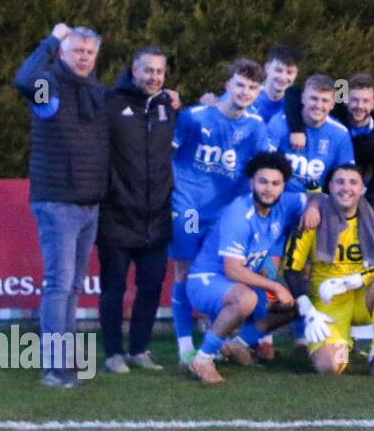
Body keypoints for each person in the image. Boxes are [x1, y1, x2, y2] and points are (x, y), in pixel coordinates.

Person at [14, 23, 109, 388]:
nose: (83, 57)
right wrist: (50, 40)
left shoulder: (94, 90)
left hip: (88, 203)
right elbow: (24, 79)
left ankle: (66, 359)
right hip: (57, 202)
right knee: (59, 283)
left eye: (89, 52)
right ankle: (54, 367)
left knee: (72, 286)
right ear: (64, 53)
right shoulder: (49, 88)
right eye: (76, 50)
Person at [169, 59, 275, 366]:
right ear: (227, 85)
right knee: (184, 274)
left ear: (258, 92)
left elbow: (264, 167)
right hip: (187, 208)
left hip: (225, 215)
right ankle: (185, 346)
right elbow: (167, 155)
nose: (245, 92)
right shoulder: (194, 116)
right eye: (240, 85)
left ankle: (215, 343)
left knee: (219, 276)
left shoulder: (256, 126)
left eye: (253, 88)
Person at [184, 153, 308, 384]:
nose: (268, 189)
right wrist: (274, 285)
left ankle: (236, 345)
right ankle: (202, 358)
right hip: (208, 279)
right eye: (262, 182)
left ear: (283, 186)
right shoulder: (239, 214)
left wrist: (313, 209)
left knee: (294, 304)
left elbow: (317, 198)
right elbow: (232, 270)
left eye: (275, 183)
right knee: (246, 299)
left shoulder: (286, 203)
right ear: (252, 182)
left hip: (240, 282)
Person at [97, 46, 178, 373]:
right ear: (133, 70)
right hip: (116, 217)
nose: (154, 77)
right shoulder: (110, 103)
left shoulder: (168, 107)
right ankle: (113, 353)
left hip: (156, 218)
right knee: (113, 289)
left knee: (151, 288)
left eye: (159, 71)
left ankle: (140, 350)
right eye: (148, 70)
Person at [283, 164, 374, 376]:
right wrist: (307, 310)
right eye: (340, 182)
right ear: (329, 186)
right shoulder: (313, 218)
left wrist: (355, 280)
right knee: (330, 367)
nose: (345, 188)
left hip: (361, 297)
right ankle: (342, 341)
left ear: (362, 189)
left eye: (353, 182)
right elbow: (291, 268)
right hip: (328, 302)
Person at [283, 72, 374, 202]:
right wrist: (297, 129)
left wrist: (364, 207)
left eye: (365, 101)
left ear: (373, 103)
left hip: (344, 191)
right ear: (345, 99)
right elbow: (292, 94)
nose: (359, 106)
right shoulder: (332, 110)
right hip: (316, 185)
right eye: (354, 100)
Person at [266, 74, 355, 193]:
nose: (318, 105)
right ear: (303, 99)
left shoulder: (340, 133)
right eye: (314, 98)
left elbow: (346, 176)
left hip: (314, 201)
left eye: (324, 100)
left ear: (332, 105)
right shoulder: (280, 122)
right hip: (277, 196)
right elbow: (263, 164)